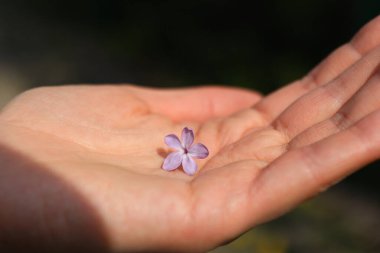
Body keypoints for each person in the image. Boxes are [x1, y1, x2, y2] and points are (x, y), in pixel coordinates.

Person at [0, 15, 379, 253]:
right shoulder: (179, 154)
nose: (183, 151)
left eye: (185, 150)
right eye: (182, 150)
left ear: (190, 151)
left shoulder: (188, 154)